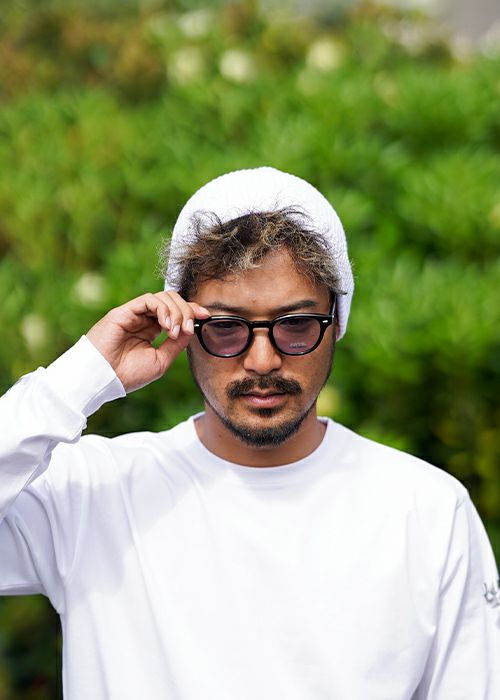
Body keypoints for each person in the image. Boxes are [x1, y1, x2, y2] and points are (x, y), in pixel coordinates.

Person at [0, 167, 498, 700]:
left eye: (296, 324)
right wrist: (84, 374)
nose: (262, 360)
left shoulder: (425, 509)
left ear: (337, 322)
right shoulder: (91, 493)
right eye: (225, 327)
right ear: (182, 328)